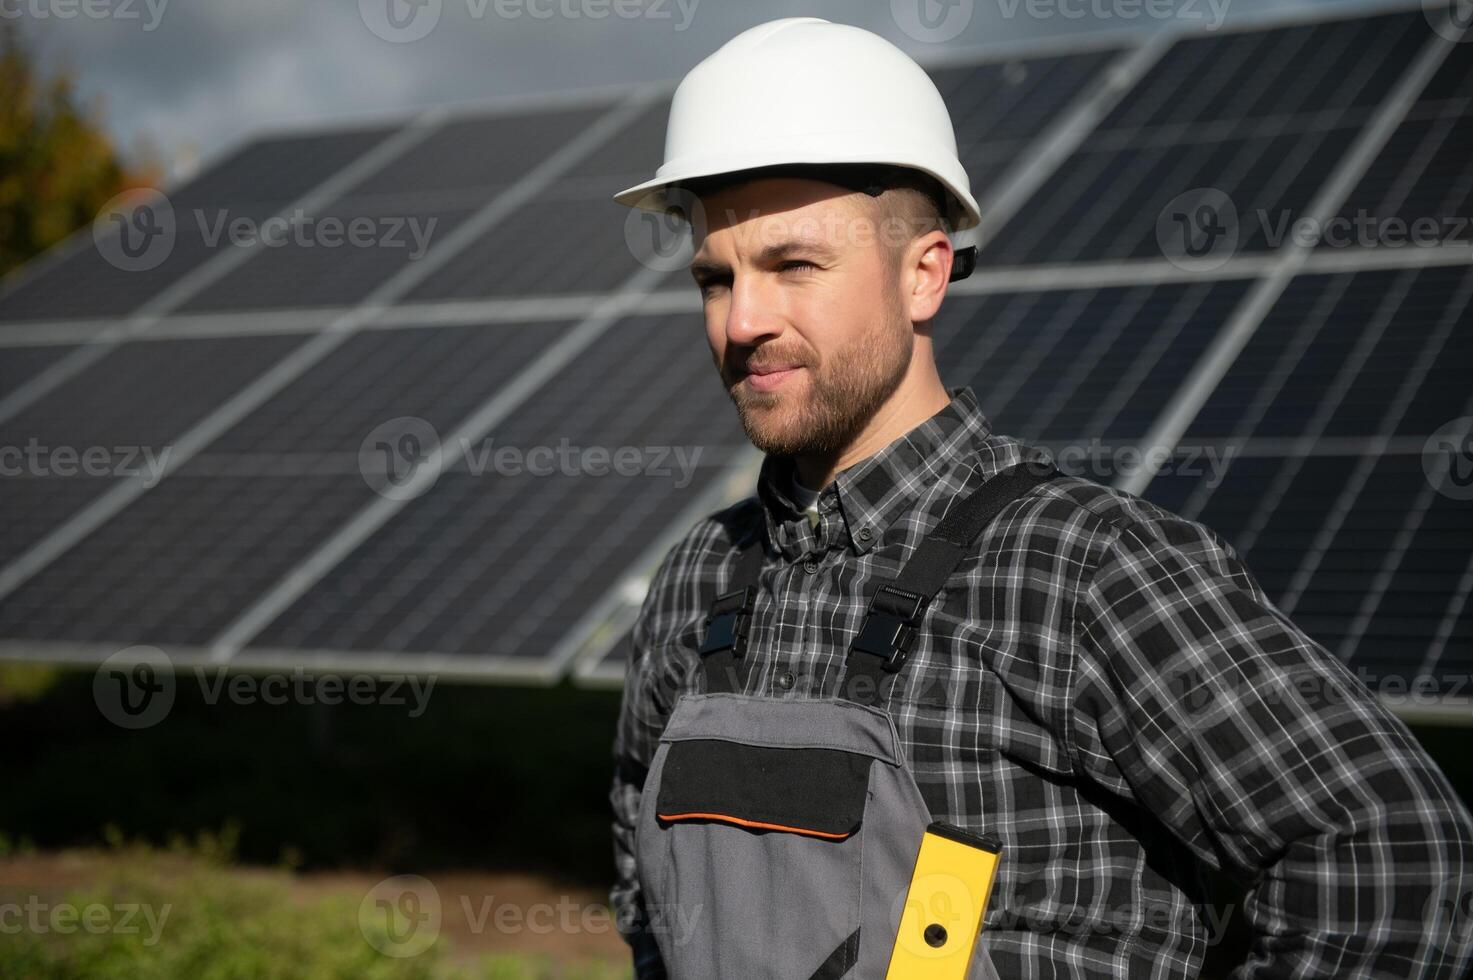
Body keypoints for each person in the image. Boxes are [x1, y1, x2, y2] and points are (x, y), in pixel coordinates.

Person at [607, 16, 1473, 979]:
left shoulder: (1084, 566)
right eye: (713, 279)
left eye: (793, 265)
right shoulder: (699, 577)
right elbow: (648, 888)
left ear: (923, 274)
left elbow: (1391, 855)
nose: (744, 320)